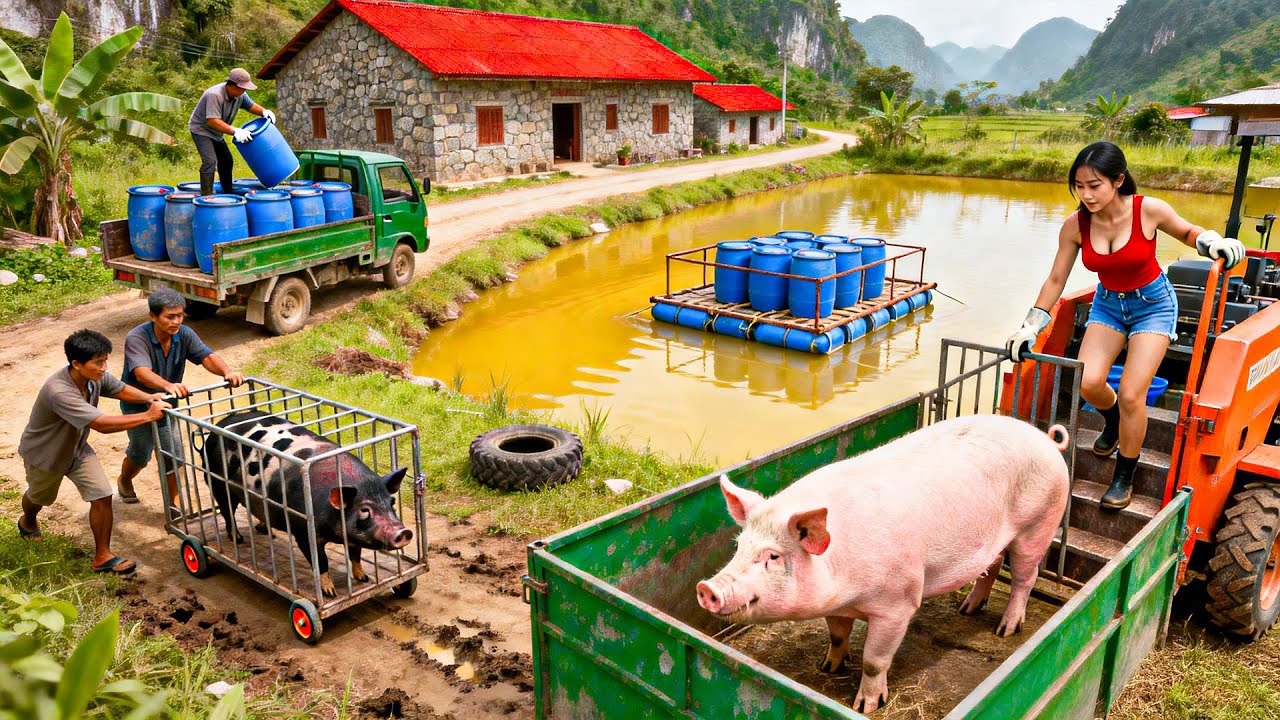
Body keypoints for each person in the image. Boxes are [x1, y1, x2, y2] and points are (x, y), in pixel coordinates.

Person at [1006, 141, 1245, 510]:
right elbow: (1056, 280)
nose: (1086, 195)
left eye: (1095, 185)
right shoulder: (1076, 225)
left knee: (1134, 392)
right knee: (1089, 382)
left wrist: (1212, 242)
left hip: (1153, 305)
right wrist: (1030, 326)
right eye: (1079, 186)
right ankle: (1115, 422)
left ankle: (1124, 474)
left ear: (1118, 180)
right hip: (1108, 305)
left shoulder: (1147, 210)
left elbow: (1186, 232)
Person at [18, 330, 171, 574]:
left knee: (101, 494)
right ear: (77, 364)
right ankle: (27, 521)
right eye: (98, 362)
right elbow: (101, 425)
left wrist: (150, 398)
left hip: (77, 449)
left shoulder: (94, 376)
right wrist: (147, 416)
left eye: (105, 360)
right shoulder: (59, 390)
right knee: (40, 497)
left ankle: (102, 556)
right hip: (46, 455)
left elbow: (119, 388)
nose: (104, 367)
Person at [116, 289, 245, 517]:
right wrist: (167, 385)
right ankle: (125, 481)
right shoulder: (137, 337)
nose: (176, 321)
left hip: (167, 406)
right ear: (153, 316)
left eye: (180, 315)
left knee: (173, 454)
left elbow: (206, 356)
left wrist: (227, 372)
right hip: (138, 404)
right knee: (140, 453)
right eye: (170, 317)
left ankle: (173, 503)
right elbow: (141, 372)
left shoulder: (184, 334)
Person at [188, 67, 277, 197]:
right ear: (231, 85)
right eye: (242, 88)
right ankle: (206, 196)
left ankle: (227, 192)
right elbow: (212, 121)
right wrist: (235, 131)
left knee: (226, 160)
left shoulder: (240, 95)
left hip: (217, 132)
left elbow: (250, 106)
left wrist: (264, 111)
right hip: (201, 129)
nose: (244, 91)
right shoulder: (215, 95)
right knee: (210, 161)